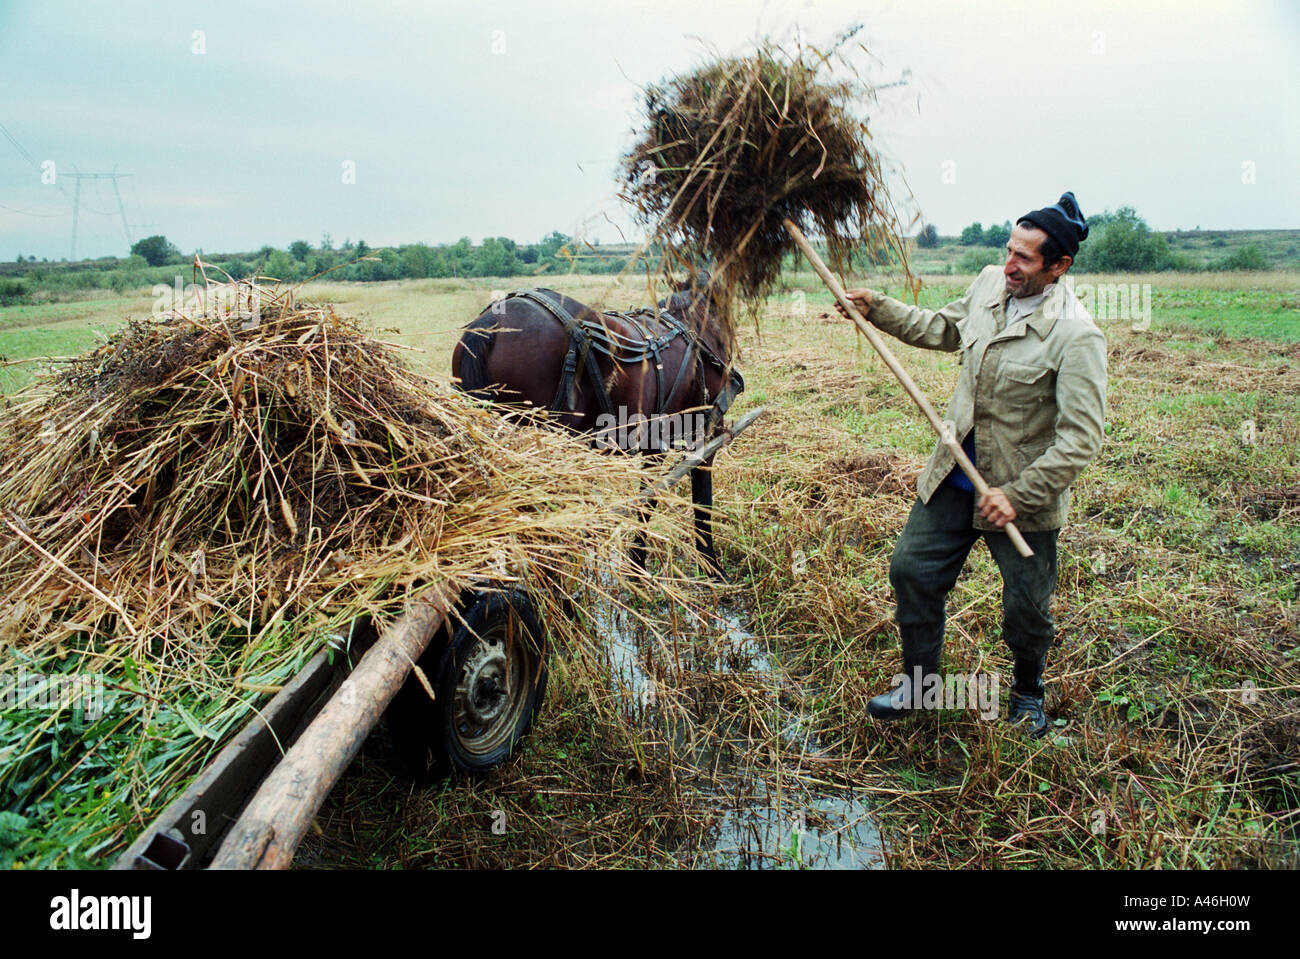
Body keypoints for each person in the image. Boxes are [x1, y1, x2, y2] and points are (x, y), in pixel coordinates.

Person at [837, 192, 1107, 738]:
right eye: (1010, 250)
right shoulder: (989, 283)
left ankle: (1028, 695)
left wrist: (1020, 494)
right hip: (955, 472)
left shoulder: (1076, 335)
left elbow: (1081, 440)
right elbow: (943, 328)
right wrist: (879, 308)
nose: (1010, 265)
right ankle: (920, 688)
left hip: (1020, 495)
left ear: (1058, 267)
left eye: (1025, 259)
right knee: (912, 571)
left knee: (1026, 609)